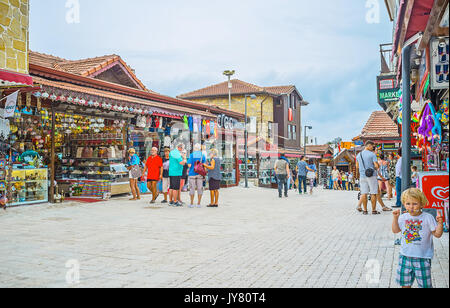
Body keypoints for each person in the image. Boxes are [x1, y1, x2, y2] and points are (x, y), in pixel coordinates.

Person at [392, 188, 444, 288]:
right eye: (408, 203)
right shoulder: (403, 217)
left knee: (425, 286)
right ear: (404, 203)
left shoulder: (428, 217)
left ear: (421, 204)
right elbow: (395, 230)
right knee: (405, 285)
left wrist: (440, 223)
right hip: (405, 257)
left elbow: (437, 234)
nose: (411, 207)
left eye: (415, 204)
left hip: (422, 258)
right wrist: (395, 218)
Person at [355, 141, 380, 215]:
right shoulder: (372, 154)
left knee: (364, 193)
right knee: (373, 193)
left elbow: (357, 166)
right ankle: (373, 210)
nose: (373, 147)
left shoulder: (358, 155)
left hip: (362, 176)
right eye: (372, 146)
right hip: (371, 175)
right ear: (368, 146)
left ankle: (365, 211)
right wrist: (376, 166)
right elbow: (376, 166)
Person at [187, 144, 207, 208]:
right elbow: (204, 165)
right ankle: (198, 203)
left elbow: (189, 165)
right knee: (199, 188)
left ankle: (192, 203)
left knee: (192, 188)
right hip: (200, 174)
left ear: (194, 148)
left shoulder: (192, 155)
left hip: (192, 174)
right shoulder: (202, 155)